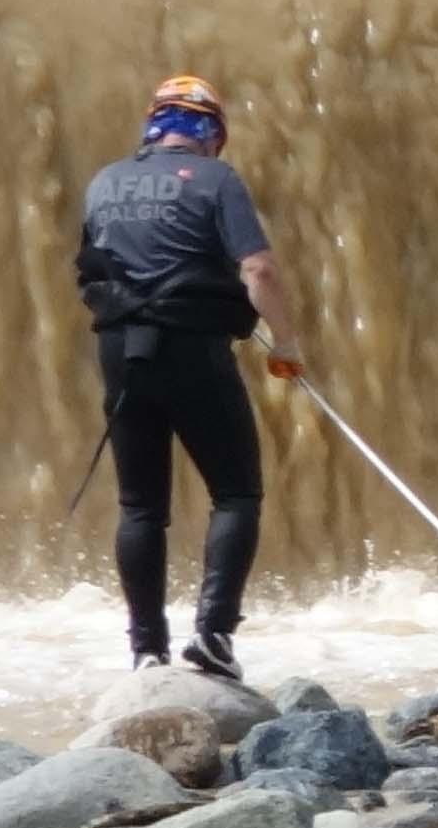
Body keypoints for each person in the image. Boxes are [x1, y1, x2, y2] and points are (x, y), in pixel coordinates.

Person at [74, 75, 305, 679]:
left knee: (140, 506)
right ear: (211, 134)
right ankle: (214, 638)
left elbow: (93, 268)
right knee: (235, 493)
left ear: (154, 124)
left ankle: (146, 651)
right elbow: (257, 269)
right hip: (192, 350)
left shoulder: (103, 182)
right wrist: (286, 343)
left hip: (122, 353)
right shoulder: (216, 180)